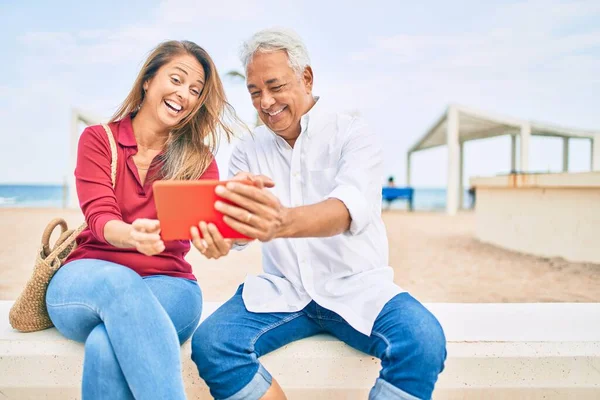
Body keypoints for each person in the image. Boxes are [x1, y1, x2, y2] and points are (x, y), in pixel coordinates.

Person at [191, 28, 447, 400]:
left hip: (356, 288)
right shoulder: (247, 150)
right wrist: (224, 239)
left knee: (423, 341)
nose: (265, 101)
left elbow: (346, 210)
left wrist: (280, 222)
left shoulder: (352, 135)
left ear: (306, 77)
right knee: (212, 343)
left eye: (275, 86)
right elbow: (241, 230)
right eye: (254, 91)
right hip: (284, 293)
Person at [45, 40, 240, 399]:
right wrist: (133, 236)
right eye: (177, 79)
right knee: (119, 283)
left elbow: (206, 231)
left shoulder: (199, 160)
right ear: (148, 80)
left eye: (195, 90)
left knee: (105, 346)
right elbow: (100, 216)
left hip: (169, 285)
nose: (184, 94)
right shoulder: (98, 140)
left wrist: (219, 242)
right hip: (87, 278)